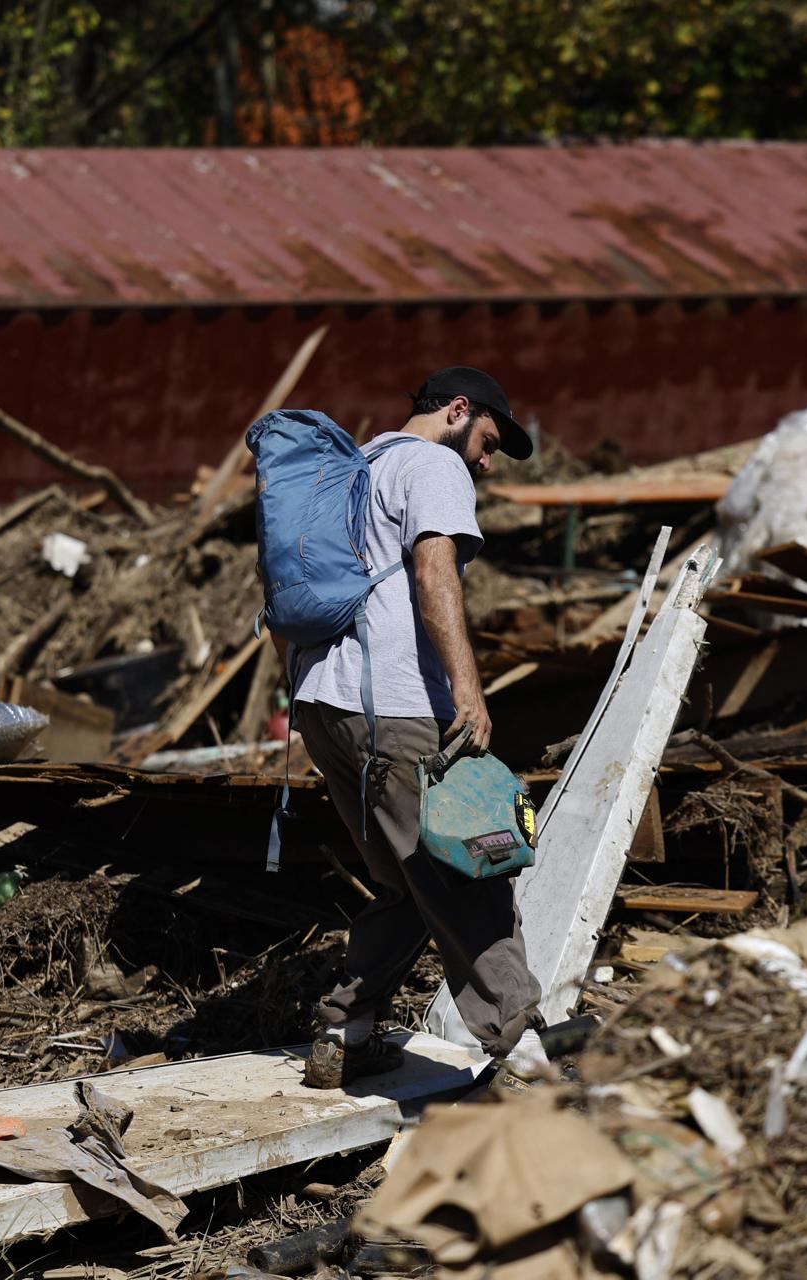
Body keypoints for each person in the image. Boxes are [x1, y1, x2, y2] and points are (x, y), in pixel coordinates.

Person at [272, 366, 544, 1087]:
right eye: (488, 440)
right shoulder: (432, 463)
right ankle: (525, 1059)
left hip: (325, 708)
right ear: (457, 412)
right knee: (469, 871)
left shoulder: (353, 468)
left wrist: (297, 693)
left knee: (404, 881)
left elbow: (279, 591)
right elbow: (433, 571)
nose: (486, 461)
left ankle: (346, 1033)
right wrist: (468, 690)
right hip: (392, 704)